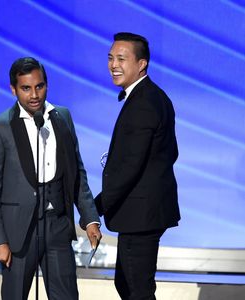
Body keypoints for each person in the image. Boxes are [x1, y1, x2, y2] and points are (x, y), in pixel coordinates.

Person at [0, 57, 102, 300]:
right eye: (26, 88)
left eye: (39, 86)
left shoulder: (62, 117)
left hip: (57, 225)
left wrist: (89, 218)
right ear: (13, 89)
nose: (34, 94)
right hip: (18, 233)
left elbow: (76, 172)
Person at [94, 32, 181, 299]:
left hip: (141, 215)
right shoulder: (151, 96)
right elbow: (170, 153)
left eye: (121, 58)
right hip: (144, 212)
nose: (113, 65)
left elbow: (131, 166)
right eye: (110, 58)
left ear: (141, 64)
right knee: (128, 284)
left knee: (136, 289)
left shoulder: (144, 103)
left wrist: (96, 205)